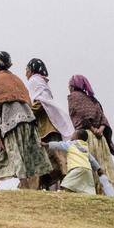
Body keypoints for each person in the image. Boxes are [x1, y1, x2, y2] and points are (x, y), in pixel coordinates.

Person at [0, 51, 52, 190]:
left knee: (13, 151)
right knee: (16, 151)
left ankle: (24, 183)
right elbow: (25, 98)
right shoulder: (16, 79)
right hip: (28, 118)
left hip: (11, 121)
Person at [24, 57, 74, 191]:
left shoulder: (34, 81)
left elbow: (40, 103)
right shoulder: (42, 82)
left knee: (52, 157)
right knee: (55, 157)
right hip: (52, 124)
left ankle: (57, 185)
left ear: (31, 70)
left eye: (27, 70)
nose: (25, 73)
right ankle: (61, 186)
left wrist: (25, 114)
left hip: (45, 127)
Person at [67, 74, 114, 196]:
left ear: (73, 86)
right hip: (101, 140)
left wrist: (91, 128)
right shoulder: (93, 100)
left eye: (70, 85)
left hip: (86, 137)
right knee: (105, 166)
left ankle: (92, 192)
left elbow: (81, 116)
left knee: (89, 166)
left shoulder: (73, 97)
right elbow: (103, 119)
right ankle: (111, 193)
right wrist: (100, 130)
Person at [43, 130, 114, 196]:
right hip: (87, 170)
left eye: (73, 134)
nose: (72, 135)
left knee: (66, 184)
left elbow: (59, 145)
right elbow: (92, 160)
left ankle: (63, 194)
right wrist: (98, 169)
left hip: (76, 168)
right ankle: (90, 197)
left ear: (76, 137)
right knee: (88, 188)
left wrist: (47, 144)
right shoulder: (85, 148)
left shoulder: (71, 144)